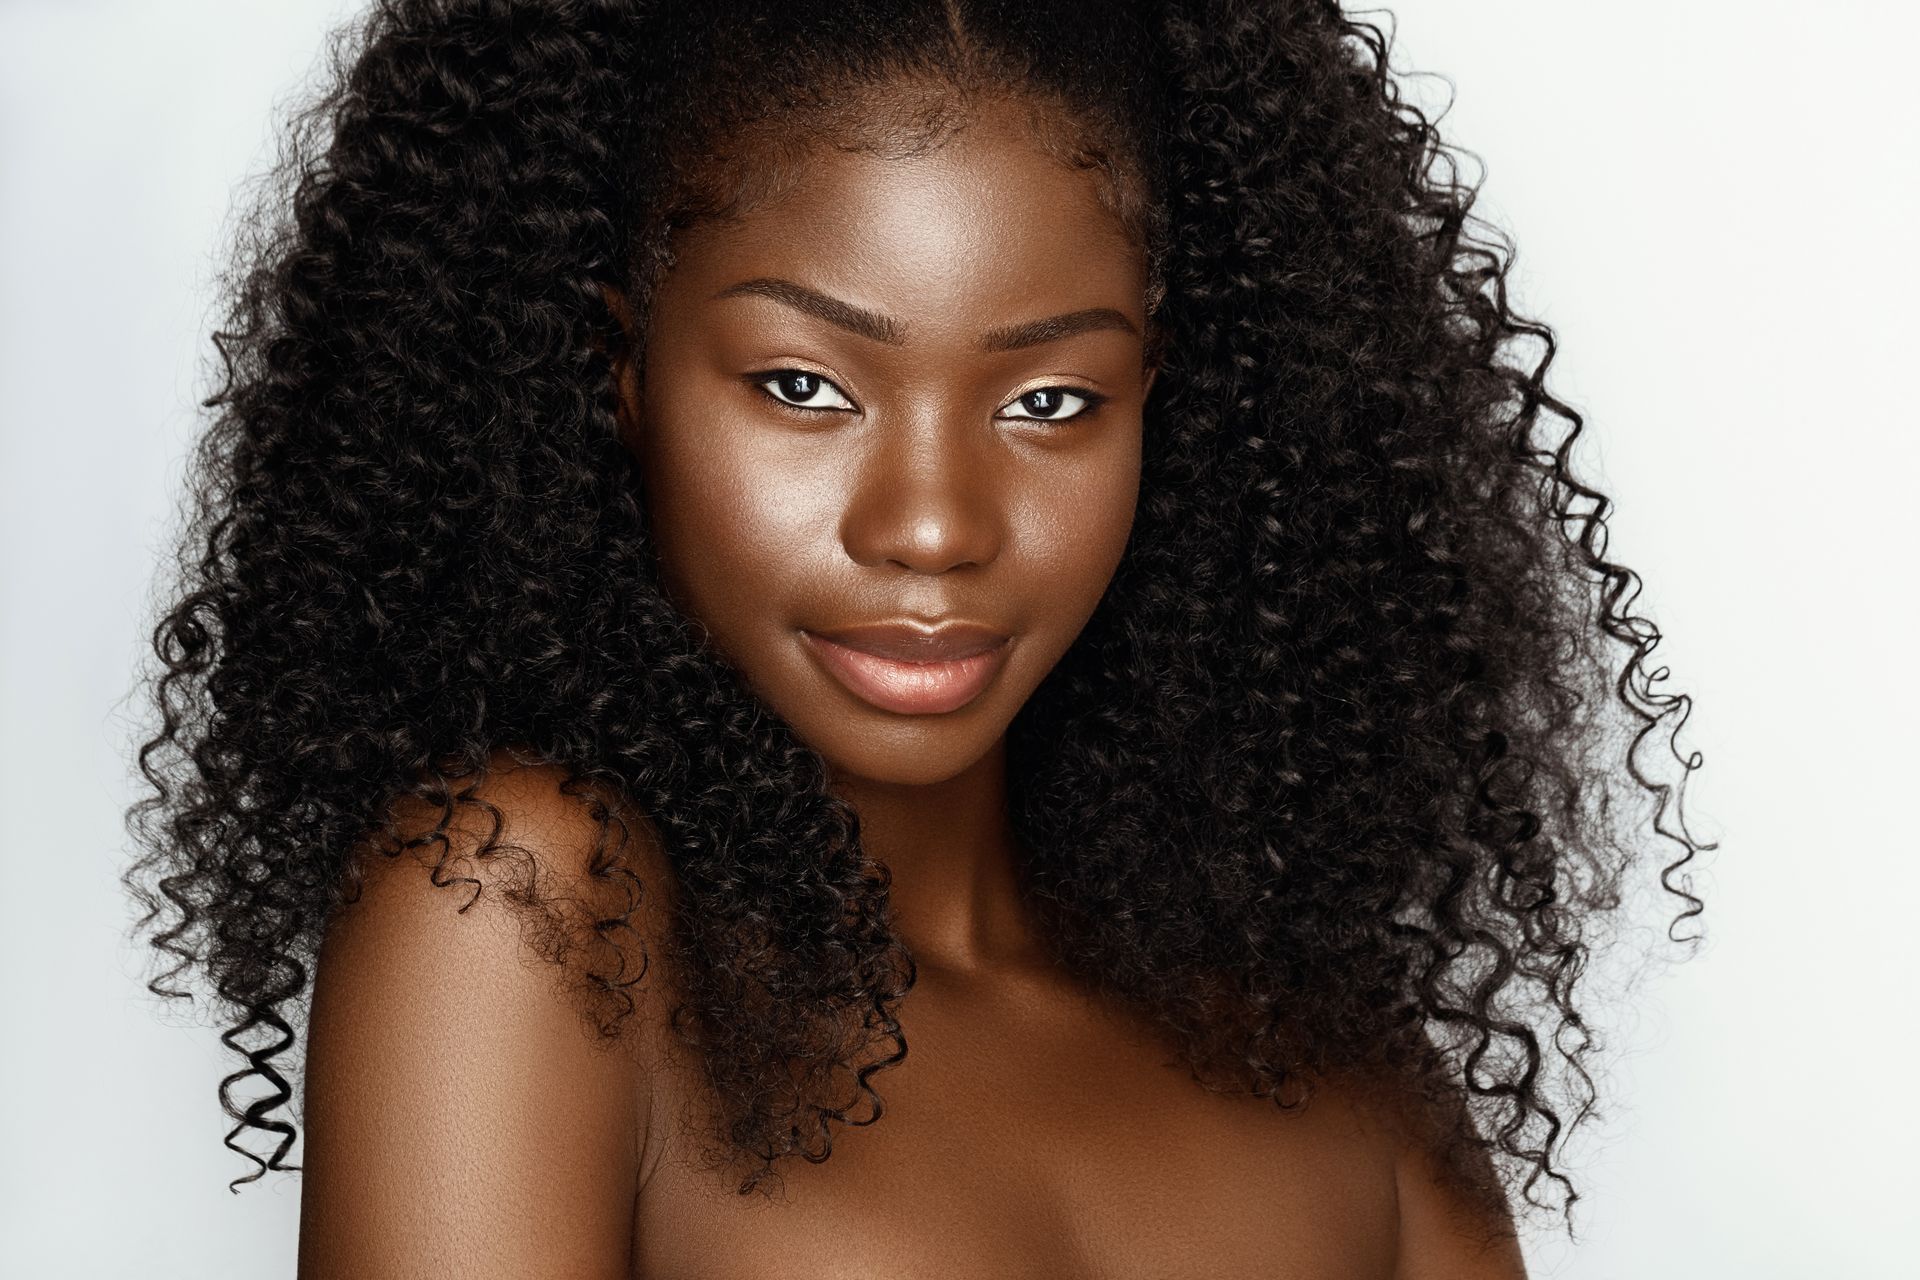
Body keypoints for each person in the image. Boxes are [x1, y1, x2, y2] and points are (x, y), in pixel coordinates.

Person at [121, 0, 1710, 1275]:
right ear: (619, 373)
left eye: (1049, 401)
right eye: (805, 386)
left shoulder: (1340, 1061)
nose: (934, 523)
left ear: (1167, 409)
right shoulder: (532, 920)